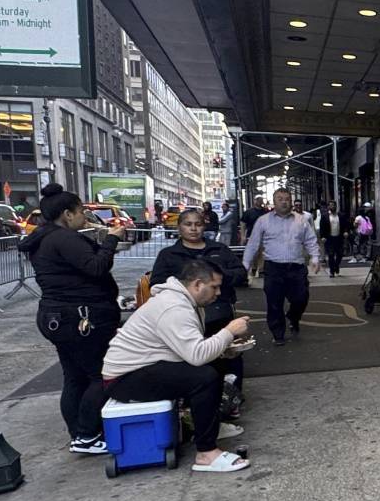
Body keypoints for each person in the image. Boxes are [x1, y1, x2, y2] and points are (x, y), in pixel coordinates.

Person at [101, 260, 251, 473]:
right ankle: (206, 453)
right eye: (214, 287)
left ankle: (208, 427)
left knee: (215, 364)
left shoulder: (185, 302)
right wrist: (229, 331)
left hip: (146, 366)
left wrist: (225, 348)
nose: (218, 293)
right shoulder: (174, 307)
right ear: (198, 284)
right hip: (124, 378)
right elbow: (197, 356)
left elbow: (190, 348)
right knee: (204, 377)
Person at [18, 183, 126, 454]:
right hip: (79, 318)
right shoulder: (63, 239)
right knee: (101, 375)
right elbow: (96, 267)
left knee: (75, 376)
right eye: (81, 212)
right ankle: (87, 434)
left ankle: (80, 434)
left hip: (59, 316)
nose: (84, 217)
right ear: (67, 214)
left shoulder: (45, 238)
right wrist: (112, 239)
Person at [150, 209, 249, 392]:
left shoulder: (219, 249)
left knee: (230, 353)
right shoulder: (169, 255)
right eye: (188, 224)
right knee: (196, 358)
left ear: (204, 226)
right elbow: (156, 285)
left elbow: (241, 274)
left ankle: (233, 396)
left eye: (198, 224)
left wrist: (216, 277)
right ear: (179, 227)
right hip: (185, 316)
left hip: (220, 312)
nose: (193, 229)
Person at [242, 188, 320, 346]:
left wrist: (315, 257)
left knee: (301, 298)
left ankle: (293, 316)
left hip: (296, 268)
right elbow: (253, 244)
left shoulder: (301, 220)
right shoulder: (263, 221)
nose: (284, 201)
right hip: (273, 269)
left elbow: (310, 240)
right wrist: (245, 265)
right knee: (274, 302)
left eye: (287, 198)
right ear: (274, 201)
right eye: (280, 199)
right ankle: (278, 334)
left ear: (291, 201)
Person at [318, 200, 351, 277]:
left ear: (336, 206)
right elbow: (322, 227)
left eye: (333, 205)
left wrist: (346, 232)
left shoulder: (341, 215)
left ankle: (336, 265)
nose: (332, 207)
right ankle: (332, 271)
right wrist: (322, 236)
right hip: (329, 239)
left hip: (339, 238)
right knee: (331, 255)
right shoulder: (325, 216)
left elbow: (346, 225)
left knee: (340, 254)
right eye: (330, 205)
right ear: (328, 207)